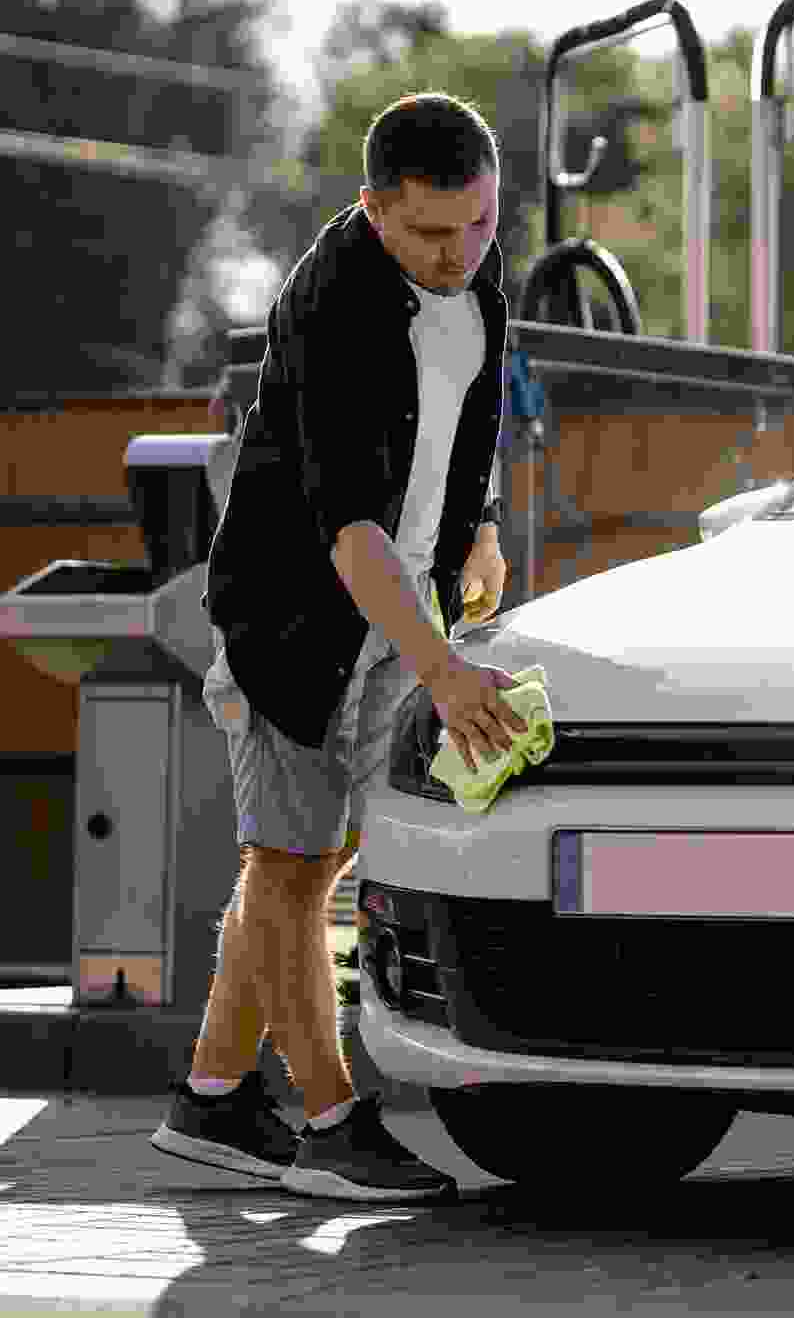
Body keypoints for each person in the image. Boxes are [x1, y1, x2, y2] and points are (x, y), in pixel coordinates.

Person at [151, 92, 529, 1202]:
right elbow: (349, 529)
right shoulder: (331, 306)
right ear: (372, 208)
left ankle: (214, 1099)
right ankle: (329, 1123)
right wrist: (443, 669)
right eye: (429, 232)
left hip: (396, 610)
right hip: (298, 624)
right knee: (287, 864)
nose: (459, 252)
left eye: (478, 223)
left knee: (310, 860)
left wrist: (481, 529)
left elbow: (465, 424)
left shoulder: (476, 276)